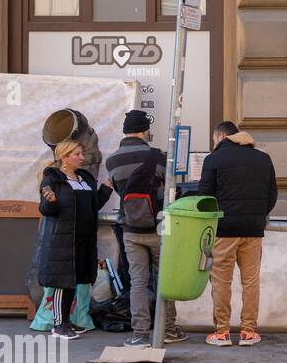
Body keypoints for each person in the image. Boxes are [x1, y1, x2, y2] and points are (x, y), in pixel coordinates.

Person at [105, 109, 184, 347]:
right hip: (159, 229)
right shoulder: (157, 157)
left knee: (138, 282)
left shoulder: (112, 161)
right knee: (164, 279)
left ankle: (139, 334)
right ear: (144, 130)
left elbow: (121, 191)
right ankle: (168, 329)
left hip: (130, 230)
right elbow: (173, 187)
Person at [198, 121, 277, 347]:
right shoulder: (263, 159)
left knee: (221, 281)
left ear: (221, 137)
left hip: (224, 230)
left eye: (215, 140)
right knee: (251, 281)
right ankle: (248, 332)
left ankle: (222, 332)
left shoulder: (213, 159)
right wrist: (257, 216)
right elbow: (272, 195)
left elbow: (205, 197)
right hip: (253, 230)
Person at [37, 139, 112, 339]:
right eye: (77, 154)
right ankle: (59, 325)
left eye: (81, 153)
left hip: (83, 241)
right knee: (63, 283)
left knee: (76, 280)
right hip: (62, 241)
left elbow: (92, 206)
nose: (82, 157)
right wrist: (50, 201)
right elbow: (46, 209)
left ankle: (67, 322)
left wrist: (105, 188)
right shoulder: (52, 179)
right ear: (64, 157)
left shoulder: (84, 179)